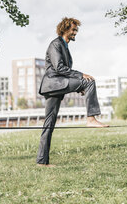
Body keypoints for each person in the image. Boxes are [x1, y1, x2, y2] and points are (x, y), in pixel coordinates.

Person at [36, 17, 109, 167]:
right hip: (54, 83)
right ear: (64, 29)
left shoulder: (64, 46)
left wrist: (78, 87)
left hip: (55, 86)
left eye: (76, 30)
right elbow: (59, 68)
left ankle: (42, 161)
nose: (75, 33)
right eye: (73, 30)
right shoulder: (56, 44)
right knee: (89, 81)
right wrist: (81, 76)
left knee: (49, 124)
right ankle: (91, 119)